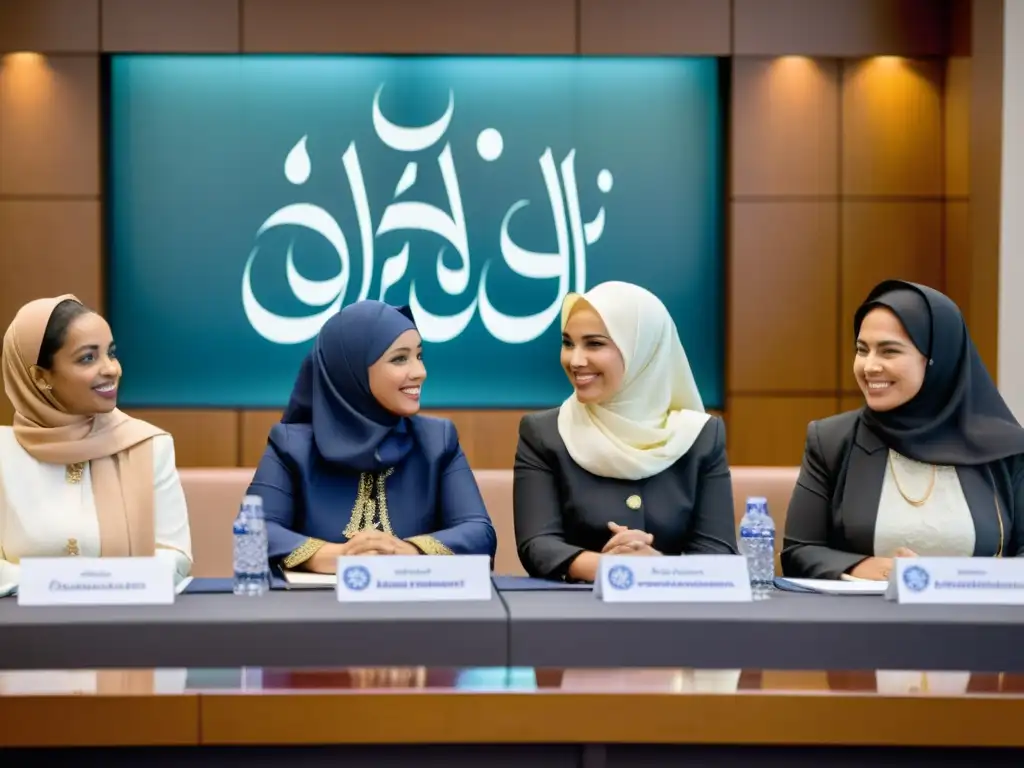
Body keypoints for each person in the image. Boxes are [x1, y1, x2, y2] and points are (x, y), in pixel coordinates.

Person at [782, 280, 1024, 580]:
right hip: (867, 619)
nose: (869, 366)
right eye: (862, 350)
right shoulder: (832, 440)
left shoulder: (1006, 449)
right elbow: (800, 551)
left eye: (889, 352)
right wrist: (877, 568)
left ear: (936, 359)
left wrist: (956, 577)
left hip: (984, 622)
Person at [246, 300, 496, 573]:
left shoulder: (438, 441)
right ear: (351, 370)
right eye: (400, 358)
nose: (420, 372)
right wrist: (335, 556)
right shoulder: (291, 445)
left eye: (419, 356)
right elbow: (254, 530)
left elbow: (479, 533)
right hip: (317, 609)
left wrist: (409, 551)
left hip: (417, 606)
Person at [513, 281, 738, 582]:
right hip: (575, 612)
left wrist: (656, 567)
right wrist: (615, 569)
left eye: (594, 344)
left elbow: (718, 551)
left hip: (681, 612)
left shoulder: (700, 436)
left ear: (643, 350)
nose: (575, 360)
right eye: (568, 343)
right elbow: (538, 545)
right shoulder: (544, 433)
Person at [0, 295, 193, 595]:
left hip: (124, 629)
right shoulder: (3, 452)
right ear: (40, 377)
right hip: (20, 635)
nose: (111, 369)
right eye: (88, 358)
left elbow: (175, 557)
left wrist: (89, 583)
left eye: (111, 353)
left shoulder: (148, 445)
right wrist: (68, 584)